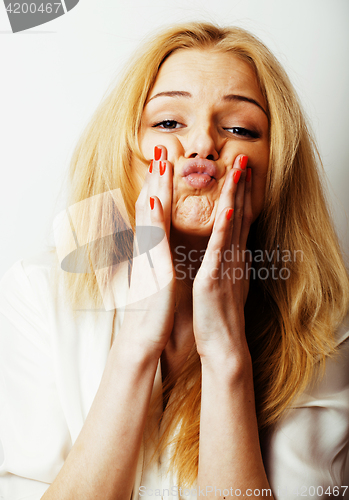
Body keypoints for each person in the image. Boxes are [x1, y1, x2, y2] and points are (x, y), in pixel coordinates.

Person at [0, 21, 349, 500]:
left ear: (278, 167)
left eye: (239, 128)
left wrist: (227, 354)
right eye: (169, 123)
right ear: (127, 152)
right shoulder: (39, 285)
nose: (202, 145)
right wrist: (137, 342)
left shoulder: (320, 320)